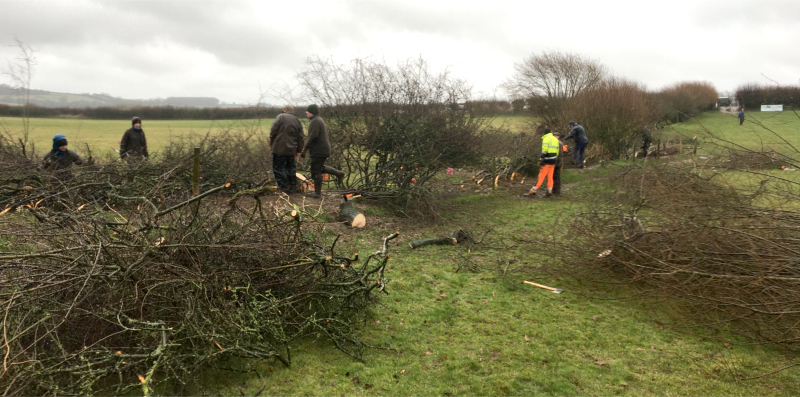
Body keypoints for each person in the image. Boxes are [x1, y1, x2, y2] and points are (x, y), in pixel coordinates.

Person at [269, 105, 305, 194]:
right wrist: (298, 150)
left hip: (279, 148)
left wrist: (271, 140)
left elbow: (273, 130)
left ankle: (283, 188)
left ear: (284, 110)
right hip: (292, 150)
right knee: (291, 168)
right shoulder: (297, 120)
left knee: (278, 168)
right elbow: (301, 138)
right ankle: (292, 188)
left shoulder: (280, 117)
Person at [301, 104, 331, 198]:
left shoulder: (315, 121)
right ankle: (339, 173)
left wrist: (305, 149)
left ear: (312, 112)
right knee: (319, 168)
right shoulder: (318, 120)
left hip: (319, 151)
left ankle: (317, 193)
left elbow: (313, 137)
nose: (306, 112)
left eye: (308, 111)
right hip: (322, 150)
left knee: (315, 171)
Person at [524, 128, 559, 197]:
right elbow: (557, 151)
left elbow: (544, 150)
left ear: (544, 133)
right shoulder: (555, 139)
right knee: (550, 177)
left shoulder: (546, 139)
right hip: (553, 160)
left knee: (541, 176)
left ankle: (532, 191)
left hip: (547, 160)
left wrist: (541, 158)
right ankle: (549, 191)